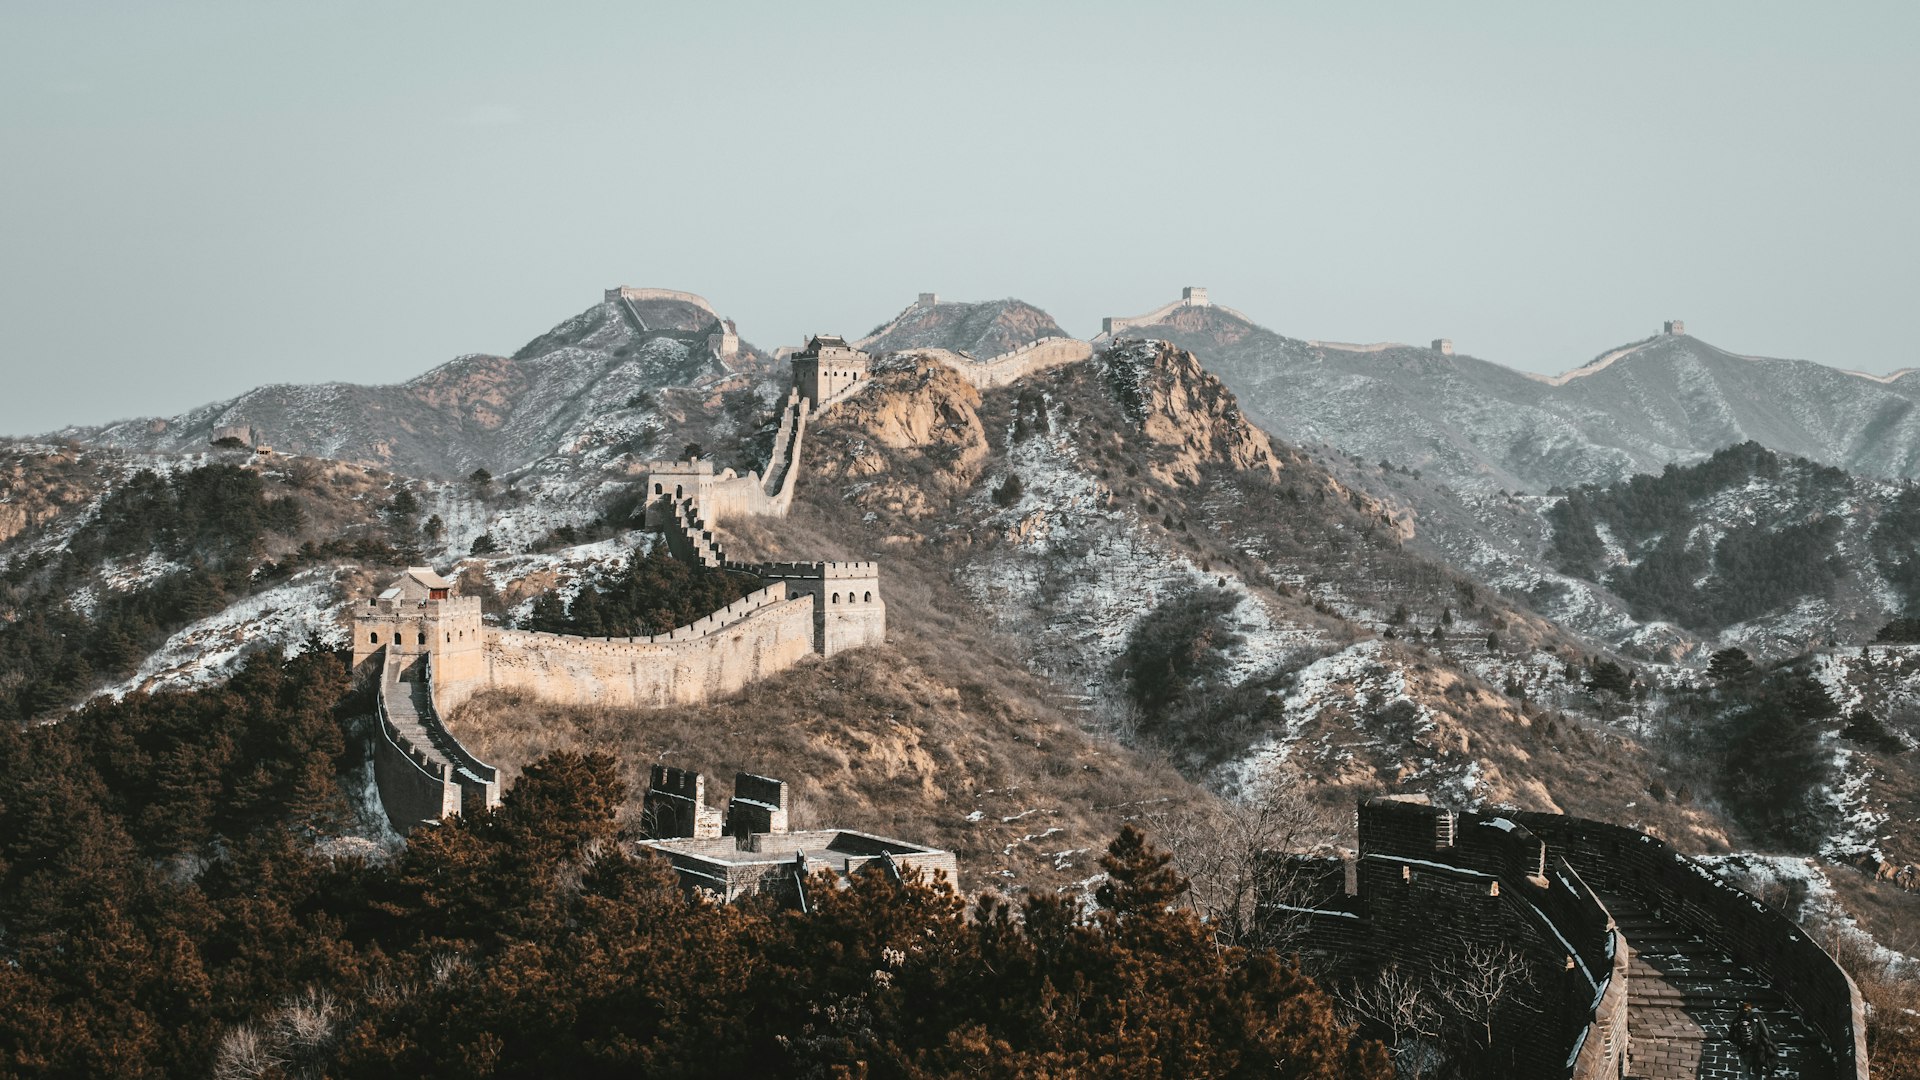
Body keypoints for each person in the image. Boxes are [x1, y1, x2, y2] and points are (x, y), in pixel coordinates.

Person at [1729, 1001, 1778, 1078]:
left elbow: (1730, 1038)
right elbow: (1765, 1033)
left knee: (1745, 1075)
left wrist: (1739, 1042)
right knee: (1758, 1074)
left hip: (1743, 1051)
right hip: (1757, 1051)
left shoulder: (1736, 1020)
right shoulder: (1756, 1017)